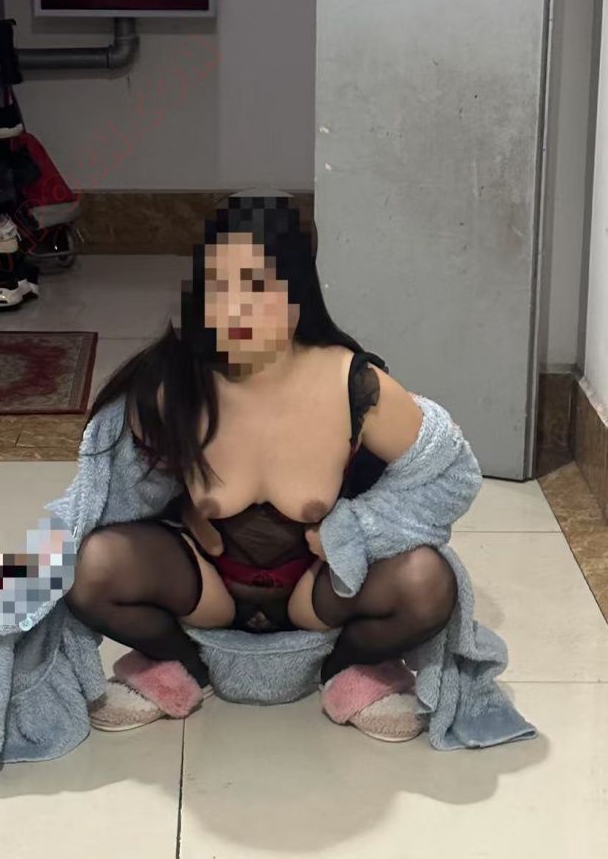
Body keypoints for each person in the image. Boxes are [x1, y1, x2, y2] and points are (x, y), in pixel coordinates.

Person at [62, 193, 459, 741]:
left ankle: (347, 669)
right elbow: (91, 506)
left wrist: (358, 531)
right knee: (88, 566)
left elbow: (450, 476)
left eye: (255, 285)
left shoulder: (354, 383)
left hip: (320, 590)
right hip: (204, 586)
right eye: (217, 287)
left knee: (426, 581)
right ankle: (182, 667)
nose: (235, 309)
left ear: (298, 290)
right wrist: (6, 591)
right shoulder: (169, 382)